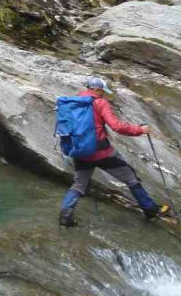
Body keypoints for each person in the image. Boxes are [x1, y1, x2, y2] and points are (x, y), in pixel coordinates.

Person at [59, 77, 171, 227]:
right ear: (96, 90)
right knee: (131, 177)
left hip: (80, 151)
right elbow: (116, 126)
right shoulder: (100, 103)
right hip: (102, 153)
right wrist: (140, 130)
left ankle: (65, 217)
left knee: (79, 185)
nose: (103, 94)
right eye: (102, 91)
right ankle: (151, 210)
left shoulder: (74, 101)